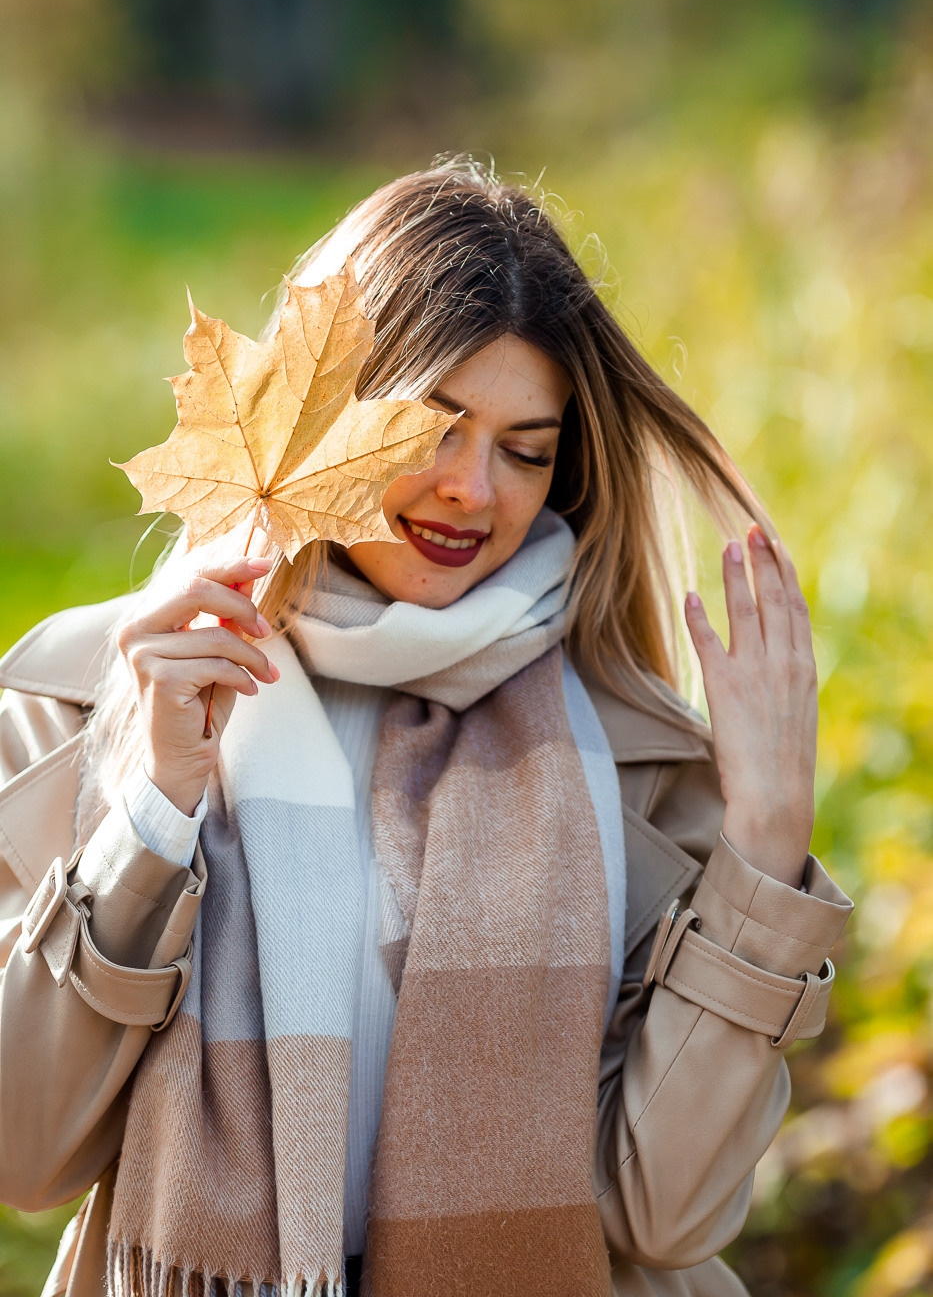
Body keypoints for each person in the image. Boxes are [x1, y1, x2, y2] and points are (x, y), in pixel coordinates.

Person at [0, 155, 853, 1297]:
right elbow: (25, 1149)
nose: (473, 490)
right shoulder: (86, 697)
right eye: (434, 426)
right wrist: (151, 806)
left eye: (525, 449)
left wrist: (765, 842)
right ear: (327, 415)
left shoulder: (629, 753)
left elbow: (666, 1211)